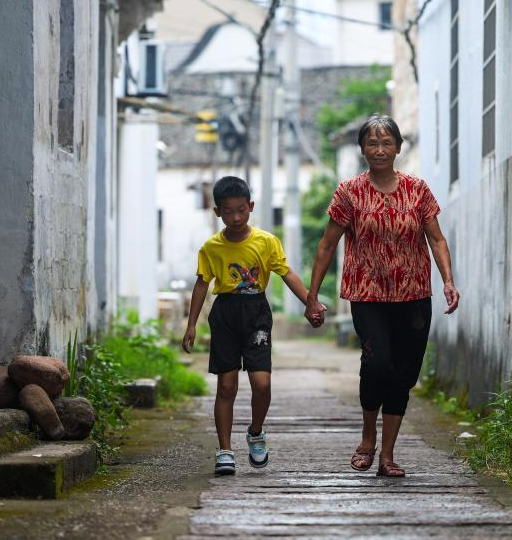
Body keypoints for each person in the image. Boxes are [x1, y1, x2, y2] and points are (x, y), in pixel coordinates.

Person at [305, 115, 460, 478]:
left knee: (404, 374)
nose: (379, 150)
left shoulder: (417, 190)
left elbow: (436, 239)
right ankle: (366, 438)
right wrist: (312, 296)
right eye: (372, 143)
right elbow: (327, 244)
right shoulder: (349, 192)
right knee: (378, 364)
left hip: (414, 294)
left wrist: (448, 281)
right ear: (362, 149)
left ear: (398, 148)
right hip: (367, 293)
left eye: (386, 142)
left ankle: (388, 455)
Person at [182, 176, 325, 476]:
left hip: (256, 313)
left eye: (241, 210)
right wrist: (191, 325)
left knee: (262, 384)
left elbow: (287, 275)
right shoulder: (211, 247)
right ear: (217, 211)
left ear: (251, 207)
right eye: (228, 211)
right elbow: (201, 284)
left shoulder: (266, 241)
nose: (235, 217)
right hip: (225, 315)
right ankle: (224, 450)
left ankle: (256, 432)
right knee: (226, 386)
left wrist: (310, 303)